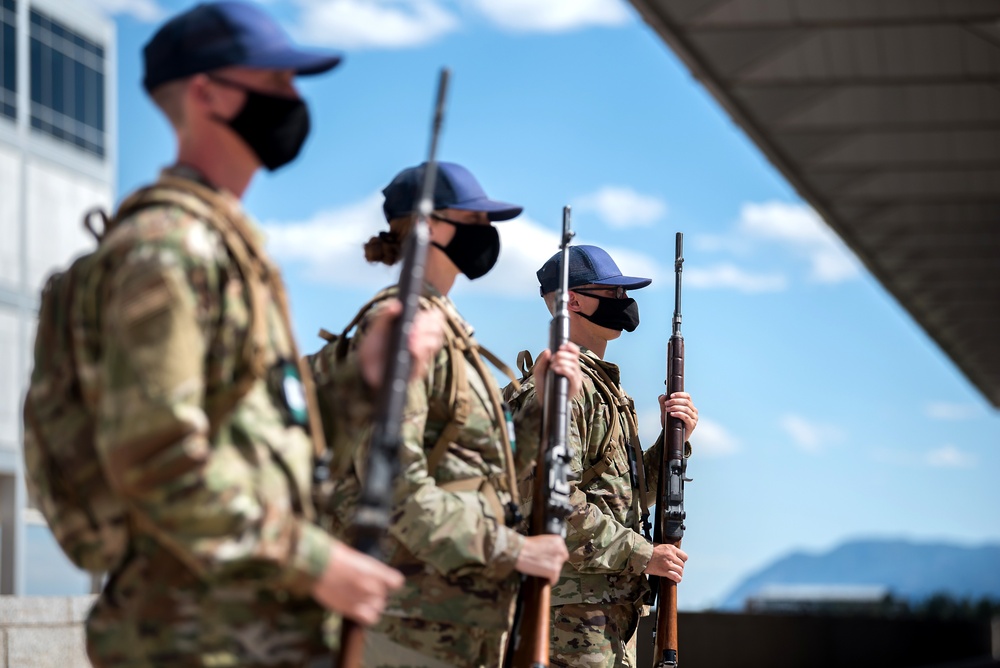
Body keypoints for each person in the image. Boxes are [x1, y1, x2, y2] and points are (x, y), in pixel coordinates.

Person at [85, 3, 407, 665]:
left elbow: (262, 448)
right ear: (207, 92)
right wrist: (319, 562)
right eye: (276, 82)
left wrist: (359, 385)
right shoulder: (168, 251)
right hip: (189, 636)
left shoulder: (224, 246)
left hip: (244, 630)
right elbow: (156, 461)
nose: (294, 100)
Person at [317, 162, 576, 668]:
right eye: (473, 219)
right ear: (430, 227)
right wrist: (515, 552)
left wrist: (540, 405)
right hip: (408, 629)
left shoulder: (447, 331)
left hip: (457, 627)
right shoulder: (402, 330)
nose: (487, 234)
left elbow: (482, 473)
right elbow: (395, 491)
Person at [504, 245, 699, 668]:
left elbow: (625, 495)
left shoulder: (604, 390)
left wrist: (674, 440)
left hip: (605, 616)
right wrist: (643, 555)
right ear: (573, 301)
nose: (623, 303)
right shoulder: (561, 390)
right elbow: (555, 505)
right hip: (570, 621)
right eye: (611, 293)